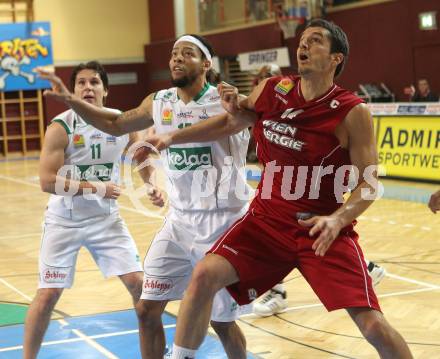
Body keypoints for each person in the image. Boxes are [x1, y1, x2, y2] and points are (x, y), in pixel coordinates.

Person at [142, 19, 414, 358]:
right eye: (302, 40)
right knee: (204, 276)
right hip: (266, 222)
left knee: (372, 324)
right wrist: (171, 136)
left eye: (315, 41)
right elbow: (232, 121)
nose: (303, 45)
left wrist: (338, 219)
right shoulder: (273, 89)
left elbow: (369, 185)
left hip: (320, 228)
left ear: (335, 59)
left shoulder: (352, 112)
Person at [37, 34, 251, 359]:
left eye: (187, 53)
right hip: (180, 223)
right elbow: (114, 122)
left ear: (207, 64)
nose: (177, 58)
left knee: (222, 323)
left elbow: (233, 121)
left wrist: (172, 136)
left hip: (222, 224)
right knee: (146, 308)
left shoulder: (227, 101)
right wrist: (69, 99)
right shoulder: (160, 101)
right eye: (174, 53)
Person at [23, 61, 146, 359]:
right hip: (65, 220)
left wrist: (151, 183)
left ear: (106, 89)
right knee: (48, 294)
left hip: (106, 221)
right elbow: (47, 181)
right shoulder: (61, 126)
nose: (88, 88)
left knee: (141, 288)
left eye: (94, 82)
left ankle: (154, 349)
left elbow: (142, 154)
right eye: (81, 83)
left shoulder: (120, 121)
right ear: (73, 89)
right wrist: (97, 188)